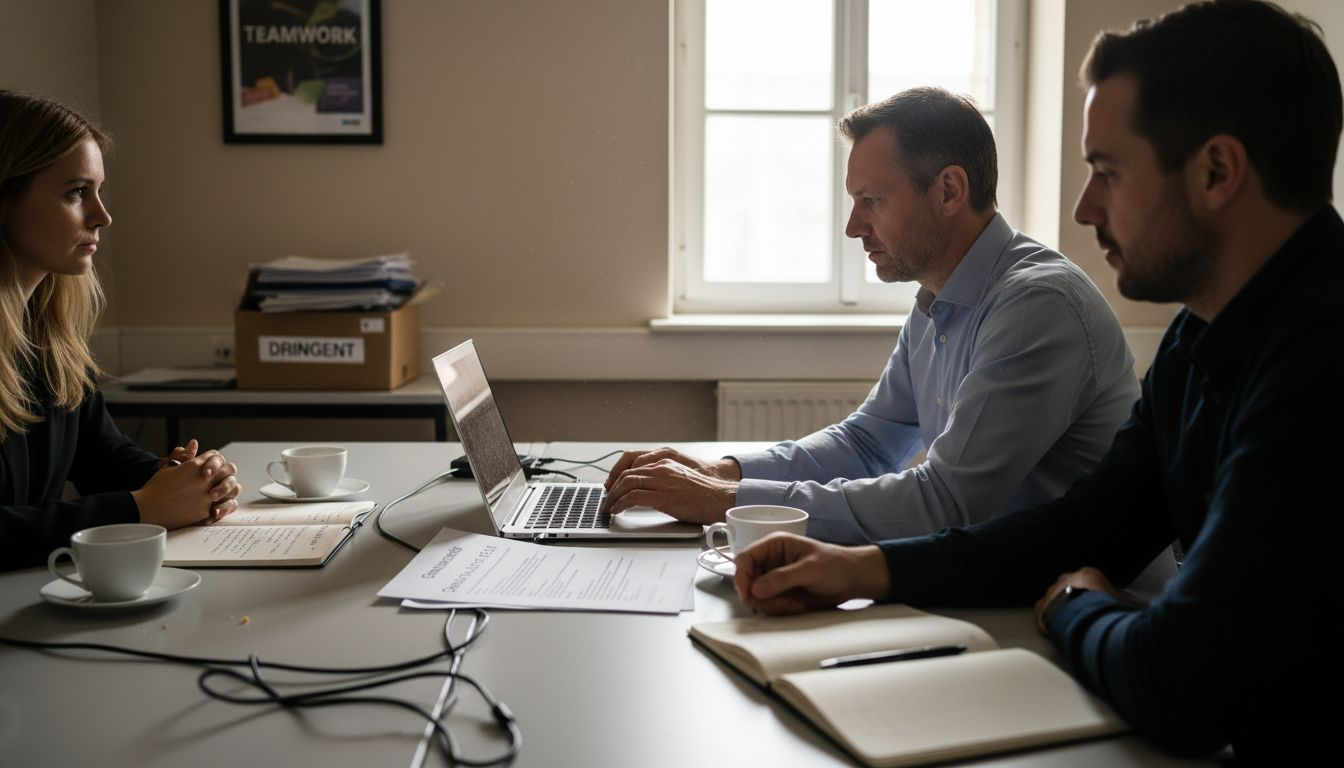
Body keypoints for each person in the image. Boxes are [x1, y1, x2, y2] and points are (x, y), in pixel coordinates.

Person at [731, 0, 1342, 762]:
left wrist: (1077, 607)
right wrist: (869, 569)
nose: (1084, 209)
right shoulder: (1199, 336)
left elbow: (1184, 676)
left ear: (1218, 171)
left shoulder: (1324, 359)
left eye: (1107, 173)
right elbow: (1082, 530)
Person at [604, 88, 1142, 546]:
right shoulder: (940, 299)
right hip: (1007, 591)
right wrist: (722, 472)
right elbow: (868, 443)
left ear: (950, 190)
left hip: (1088, 613)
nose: (853, 227)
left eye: (872, 201)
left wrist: (728, 501)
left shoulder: (1037, 307)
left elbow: (946, 502)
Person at [0, 90, 243, 572]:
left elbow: (102, 456)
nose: (101, 216)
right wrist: (140, 509)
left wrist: (183, 481)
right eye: (75, 192)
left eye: (98, 191)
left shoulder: (46, 336)